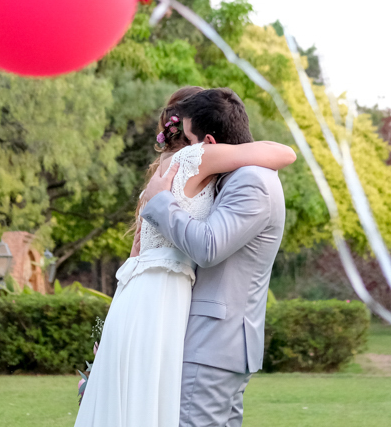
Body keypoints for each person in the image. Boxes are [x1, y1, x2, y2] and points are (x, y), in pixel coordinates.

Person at [76, 87, 294, 427]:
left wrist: (162, 202)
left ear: (208, 141)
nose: (188, 147)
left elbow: (206, 247)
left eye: (191, 139)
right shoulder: (219, 169)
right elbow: (285, 152)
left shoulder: (247, 178)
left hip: (209, 336)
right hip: (186, 323)